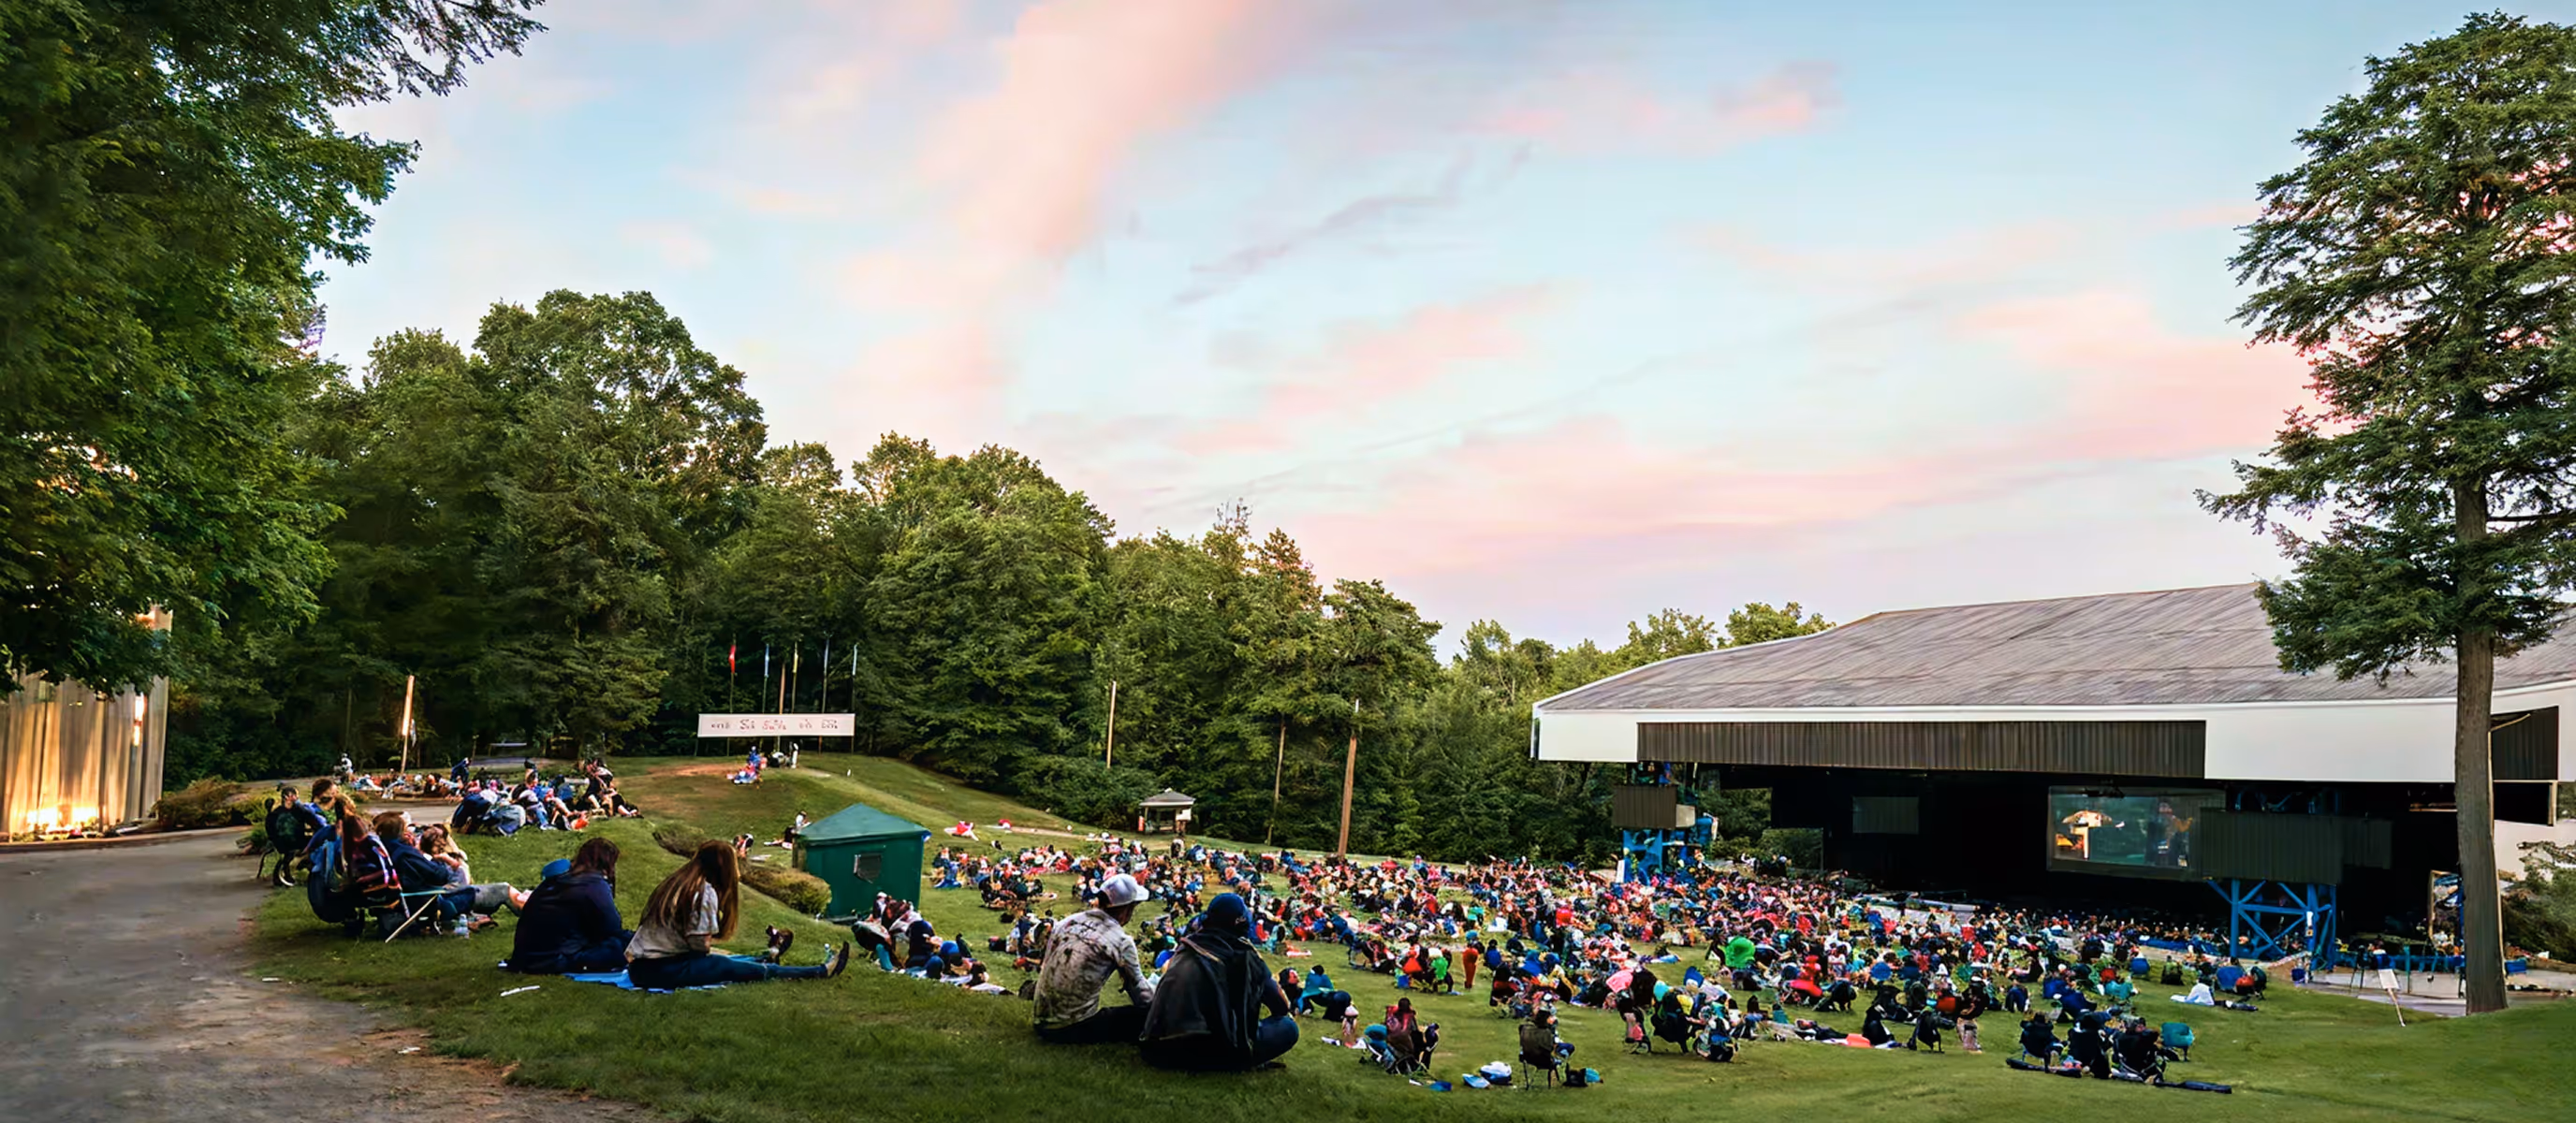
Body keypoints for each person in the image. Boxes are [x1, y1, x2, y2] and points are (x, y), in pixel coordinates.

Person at [626, 841, 849, 988]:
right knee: (723, 965)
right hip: (660, 970)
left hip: (641, 967)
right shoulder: (703, 892)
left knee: (721, 961)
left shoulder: (678, 884)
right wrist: (707, 946)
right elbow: (700, 947)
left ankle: (766, 956)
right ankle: (817, 971)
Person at [1137, 893, 1298, 1071]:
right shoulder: (1244, 955)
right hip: (1211, 1051)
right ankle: (1237, 1060)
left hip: (1159, 1049)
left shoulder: (1187, 946)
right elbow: (1280, 1006)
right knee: (1288, 1027)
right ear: (1241, 923)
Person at [1032, 872, 1155, 1043]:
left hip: (1040, 1020)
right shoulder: (1120, 941)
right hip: (1070, 1027)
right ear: (1127, 909)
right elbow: (1142, 995)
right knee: (1147, 1015)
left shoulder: (1068, 922)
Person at [509, 838, 631, 974]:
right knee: (628, 942)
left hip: (524, 957)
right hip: (555, 958)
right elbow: (612, 926)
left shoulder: (556, 880)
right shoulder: (593, 885)